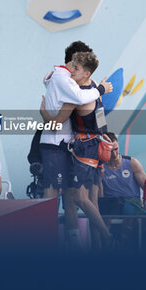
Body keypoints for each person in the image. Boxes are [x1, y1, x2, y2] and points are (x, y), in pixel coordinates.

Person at [41, 51, 113, 249]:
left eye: (76, 68)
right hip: (96, 147)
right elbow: (100, 115)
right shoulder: (93, 87)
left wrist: (44, 113)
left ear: (87, 73)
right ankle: (100, 248)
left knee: (81, 199)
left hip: (85, 149)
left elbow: (57, 121)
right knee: (91, 201)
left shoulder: (76, 96)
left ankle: (107, 238)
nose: (71, 71)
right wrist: (104, 133)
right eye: (71, 66)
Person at [98, 132, 146, 248]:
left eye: (116, 149)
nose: (114, 154)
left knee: (129, 209)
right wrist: (99, 179)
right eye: (110, 151)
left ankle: (123, 242)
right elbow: (99, 196)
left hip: (131, 201)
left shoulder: (132, 163)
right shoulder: (100, 167)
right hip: (111, 202)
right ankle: (106, 246)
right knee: (103, 210)